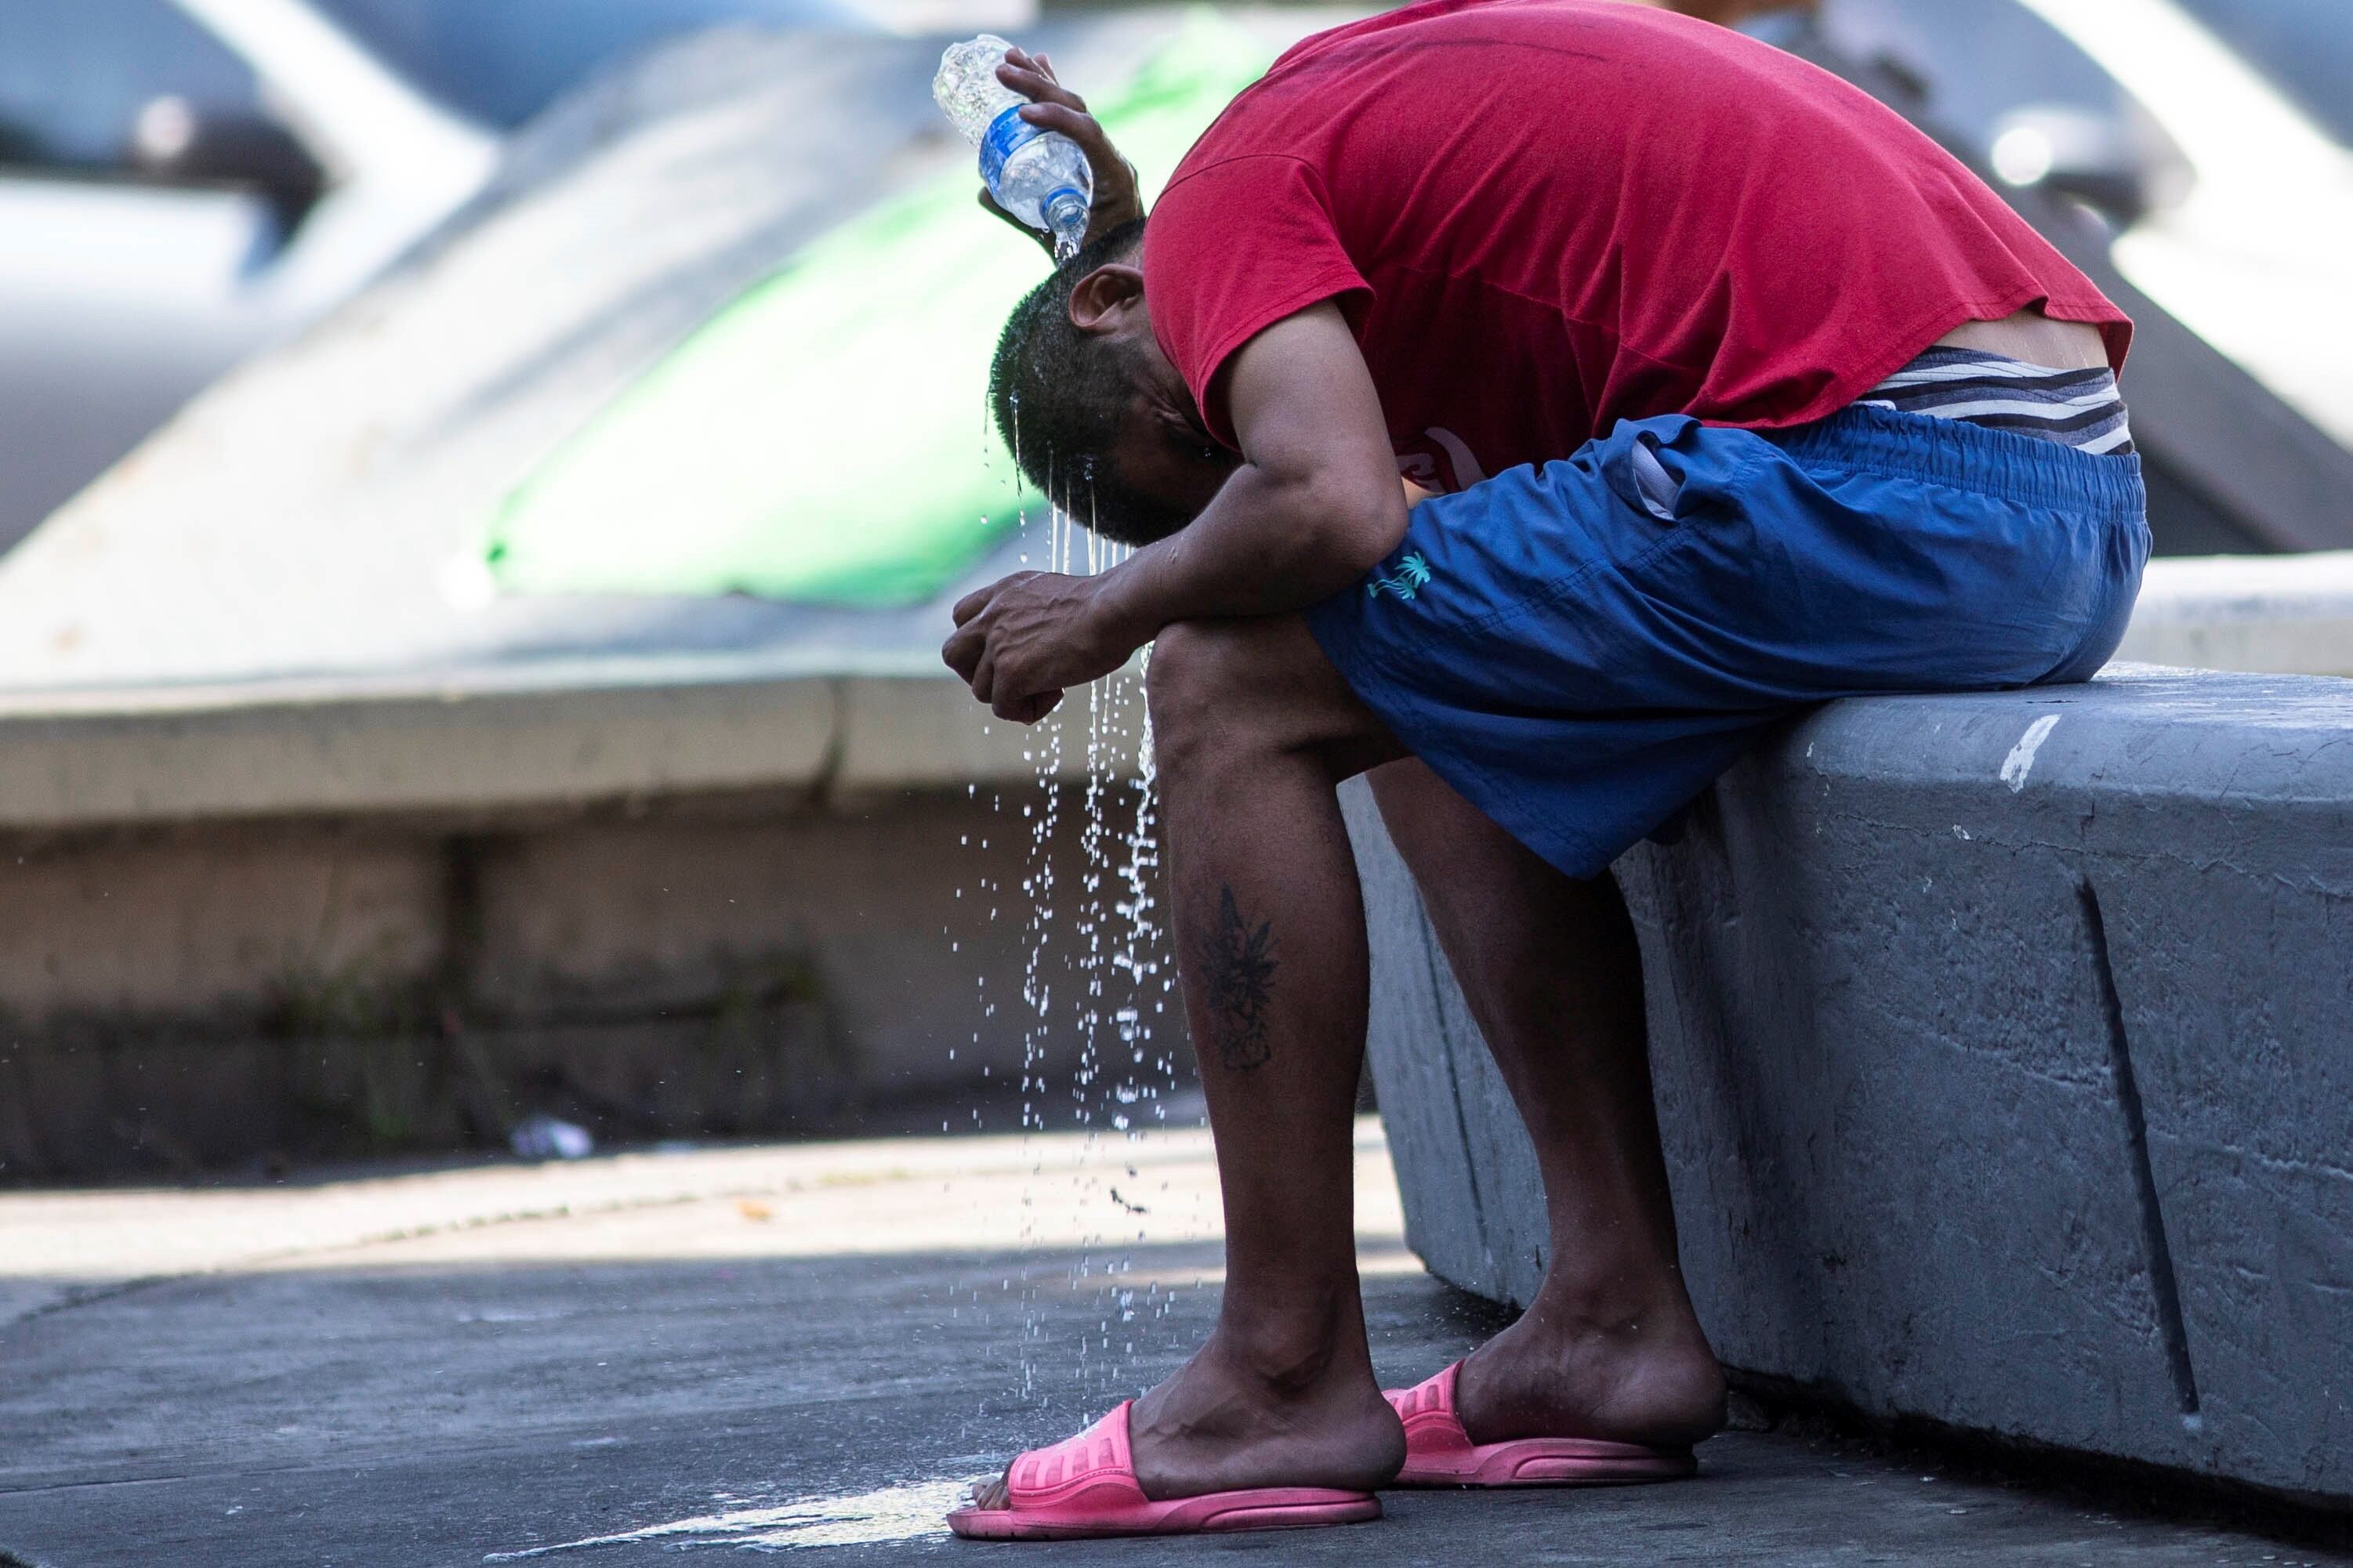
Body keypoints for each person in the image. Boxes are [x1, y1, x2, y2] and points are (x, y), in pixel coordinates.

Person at [941, 0, 2146, 1540]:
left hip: (1898, 477)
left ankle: (1280, 1372)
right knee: (1402, 646)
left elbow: (1322, 503)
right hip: (2054, 500)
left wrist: (1118, 603)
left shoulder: (1231, 194)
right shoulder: (1299, 189)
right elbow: (1344, 487)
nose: (1261, 441)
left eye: (1218, 437)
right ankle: (1606, 1316)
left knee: (1233, 663)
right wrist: (1129, 237)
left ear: (1119, 295)